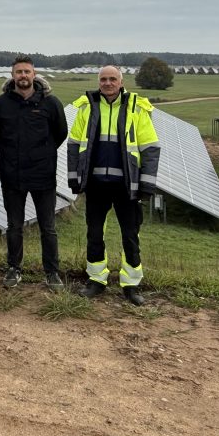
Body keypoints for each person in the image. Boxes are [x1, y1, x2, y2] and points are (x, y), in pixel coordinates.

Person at [67, 65, 161, 306]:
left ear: (121, 82)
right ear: (98, 82)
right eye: (103, 79)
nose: (107, 83)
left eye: (112, 79)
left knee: (130, 235)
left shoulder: (136, 108)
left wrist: (147, 185)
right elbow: (74, 145)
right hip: (96, 185)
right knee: (94, 233)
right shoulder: (87, 107)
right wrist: (74, 178)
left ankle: (131, 285)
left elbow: (150, 149)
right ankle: (97, 280)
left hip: (126, 186)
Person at [0, 55, 68, 290]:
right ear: (12, 75)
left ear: (34, 74)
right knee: (14, 226)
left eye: (27, 72)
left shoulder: (50, 102)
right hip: (12, 176)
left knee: (48, 227)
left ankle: (52, 272)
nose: (23, 76)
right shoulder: (2, 103)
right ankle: (14, 268)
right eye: (18, 72)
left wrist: (41, 154)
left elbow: (60, 133)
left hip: (43, 176)